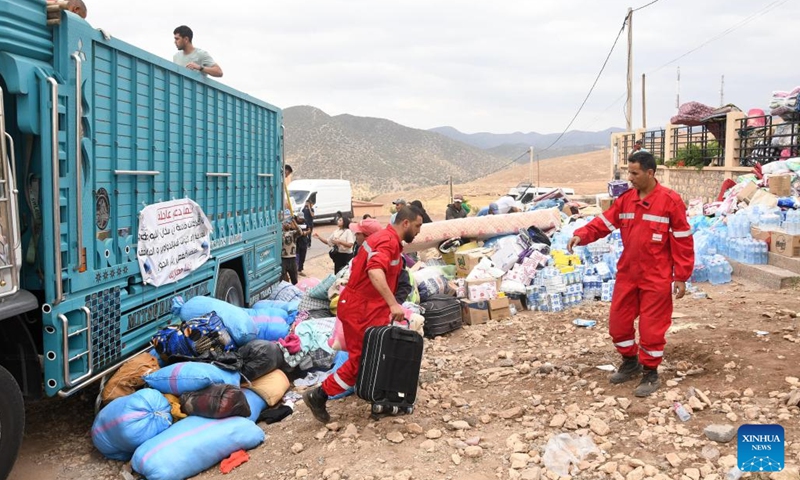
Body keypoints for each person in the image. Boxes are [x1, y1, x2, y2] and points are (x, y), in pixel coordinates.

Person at [566, 151, 694, 397]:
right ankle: (630, 362)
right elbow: (603, 223)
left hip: (656, 275)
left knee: (651, 328)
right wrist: (582, 234)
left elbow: (682, 240)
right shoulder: (626, 200)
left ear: (650, 172)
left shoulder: (670, 201)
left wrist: (681, 275)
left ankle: (650, 372)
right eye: (629, 173)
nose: (630, 178)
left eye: (635, 173)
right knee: (618, 324)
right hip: (628, 272)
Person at [302, 205, 424, 423]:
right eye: (417, 226)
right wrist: (393, 305)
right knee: (362, 360)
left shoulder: (388, 241)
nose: (418, 231)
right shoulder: (386, 242)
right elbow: (375, 271)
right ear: (405, 223)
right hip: (361, 309)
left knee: (376, 353)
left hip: (368, 308)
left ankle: (380, 399)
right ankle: (319, 395)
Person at [281, 218, 303, 285]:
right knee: (283, 280)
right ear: (282, 225)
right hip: (283, 259)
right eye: (286, 223)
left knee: (295, 280)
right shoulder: (280, 234)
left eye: (289, 223)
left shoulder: (293, 233)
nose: (288, 224)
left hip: (292, 258)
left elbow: (300, 232)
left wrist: (294, 222)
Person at [297, 199, 315, 275]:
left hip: (304, 241)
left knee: (303, 255)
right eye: (299, 218)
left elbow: (309, 229)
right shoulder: (295, 222)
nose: (301, 219)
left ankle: (300, 269)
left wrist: (306, 232)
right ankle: (296, 269)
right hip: (297, 242)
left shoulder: (306, 221)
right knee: (297, 255)